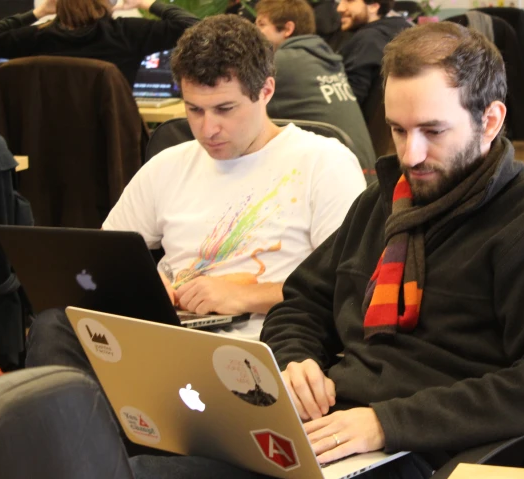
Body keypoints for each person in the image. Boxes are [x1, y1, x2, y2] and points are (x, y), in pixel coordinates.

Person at [130, 22, 524, 479]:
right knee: (126, 462)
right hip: (331, 434)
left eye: (433, 132)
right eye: (398, 130)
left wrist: (387, 423)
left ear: (490, 120)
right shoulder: (382, 204)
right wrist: (296, 361)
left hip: (422, 453)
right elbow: (303, 302)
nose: (411, 155)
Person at [26, 15, 365, 375]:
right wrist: (141, 284)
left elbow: (345, 290)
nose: (208, 129)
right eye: (194, 109)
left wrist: (242, 295)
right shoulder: (168, 165)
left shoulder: (323, 162)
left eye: (224, 109)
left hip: (258, 347)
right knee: (53, 325)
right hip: (160, 336)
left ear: (266, 91)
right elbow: (101, 260)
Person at [255, 0, 378, 182]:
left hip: (339, 180)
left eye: (262, 25)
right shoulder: (325, 59)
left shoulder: (283, 62)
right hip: (367, 176)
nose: (254, 31)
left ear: (287, 29)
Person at [0, 0, 197, 86]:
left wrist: (39, 12)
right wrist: (145, 3)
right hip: (113, 146)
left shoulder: (37, 39)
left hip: (46, 149)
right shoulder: (127, 33)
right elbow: (193, 26)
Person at [336, 0, 410, 109]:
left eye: (349, 1)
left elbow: (348, 99)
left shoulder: (368, 40)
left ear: (373, 7)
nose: (340, 8)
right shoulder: (404, 34)